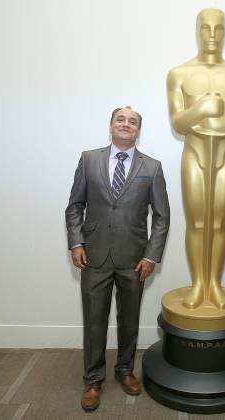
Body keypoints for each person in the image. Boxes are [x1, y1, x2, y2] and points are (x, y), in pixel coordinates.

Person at [65, 106, 170, 412]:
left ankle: (125, 370)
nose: (126, 124)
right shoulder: (89, 159)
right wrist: (76, 242)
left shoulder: (152, 167)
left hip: (134, 258)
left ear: (138, 130)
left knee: (130, 319)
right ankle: (93, 379)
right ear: (110, 125)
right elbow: (74, 206)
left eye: (132, 122)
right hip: (93, 255)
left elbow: (162, 217)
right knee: (94, 320)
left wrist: (151, 256)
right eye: (120, 120)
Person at [167, 8, 225, 310]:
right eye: (206, 28)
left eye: (219, 28)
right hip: (194, 154)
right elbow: (178, 122)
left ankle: (214, 284)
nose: (213, 35)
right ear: (197, 31)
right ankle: (198, 285)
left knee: (218, 223)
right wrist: (202, 109)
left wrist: (211, 122)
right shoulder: (179, 74)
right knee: (197, 222)